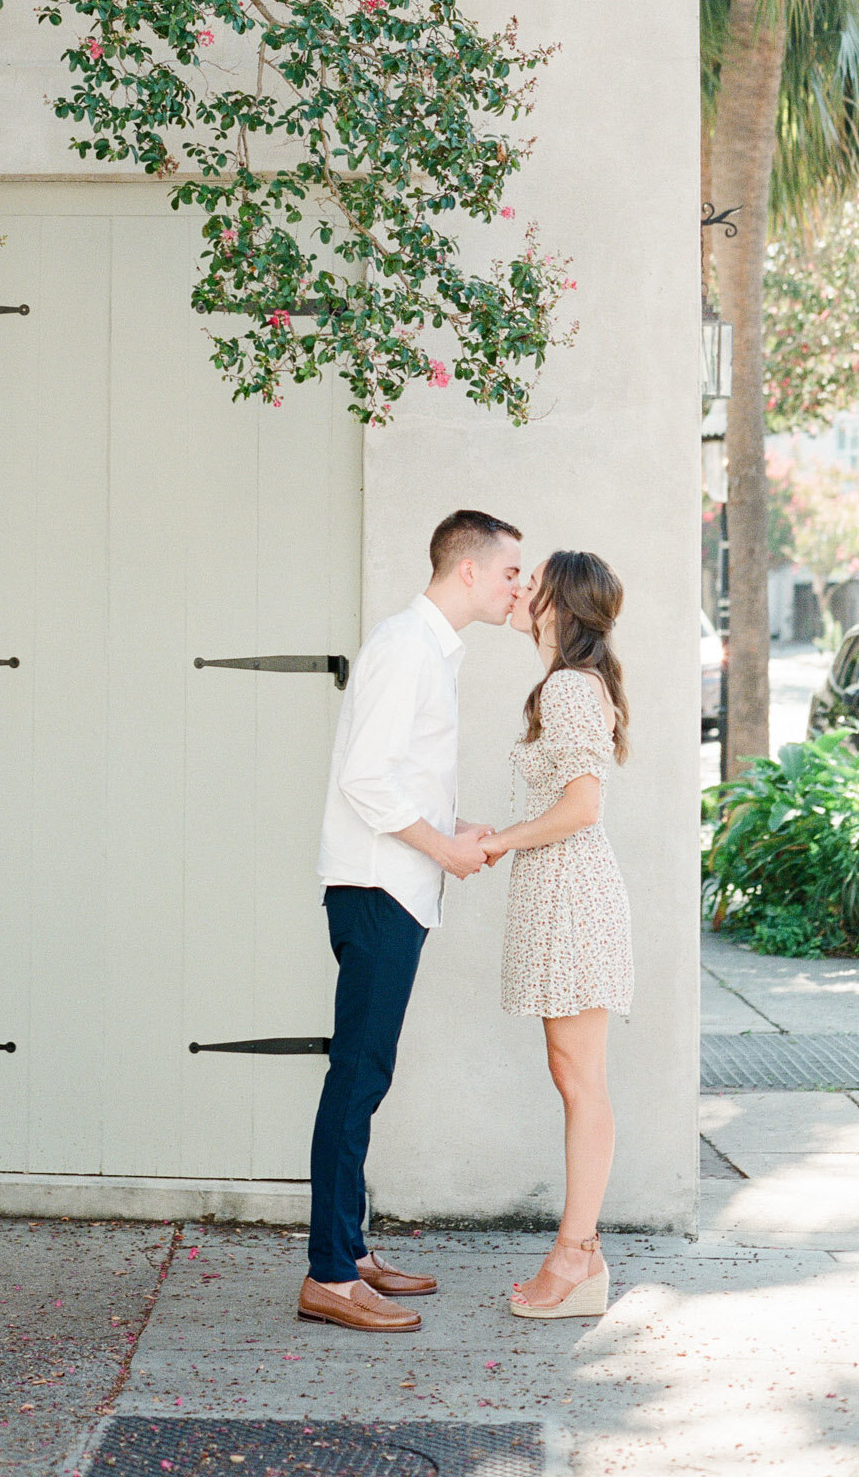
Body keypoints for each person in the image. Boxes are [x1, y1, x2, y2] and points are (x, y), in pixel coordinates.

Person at [297, 509, 523, 1334]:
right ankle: (328, 1274)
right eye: (509, 573)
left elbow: (403, 774)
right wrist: (442, 849)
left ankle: (350, 1252)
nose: (518, 588)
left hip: (399, 882)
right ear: (467, 568)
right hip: (378, 888)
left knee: (369, 1075)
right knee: (355, 1079)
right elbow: (366, 778)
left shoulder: (428, 650)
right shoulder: (404, 647)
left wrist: (451, 830)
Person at [479, 549, 633, 1321]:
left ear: (559, 604)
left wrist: (502, 840)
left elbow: (582, 807)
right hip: (563, 892)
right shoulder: (565, 686)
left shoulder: (572, 688)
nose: (518, 588)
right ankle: (584, 1254)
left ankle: (575, 1256)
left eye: (530, 581)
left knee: (580, 1080)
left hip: (573, 894)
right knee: (572, 1074)